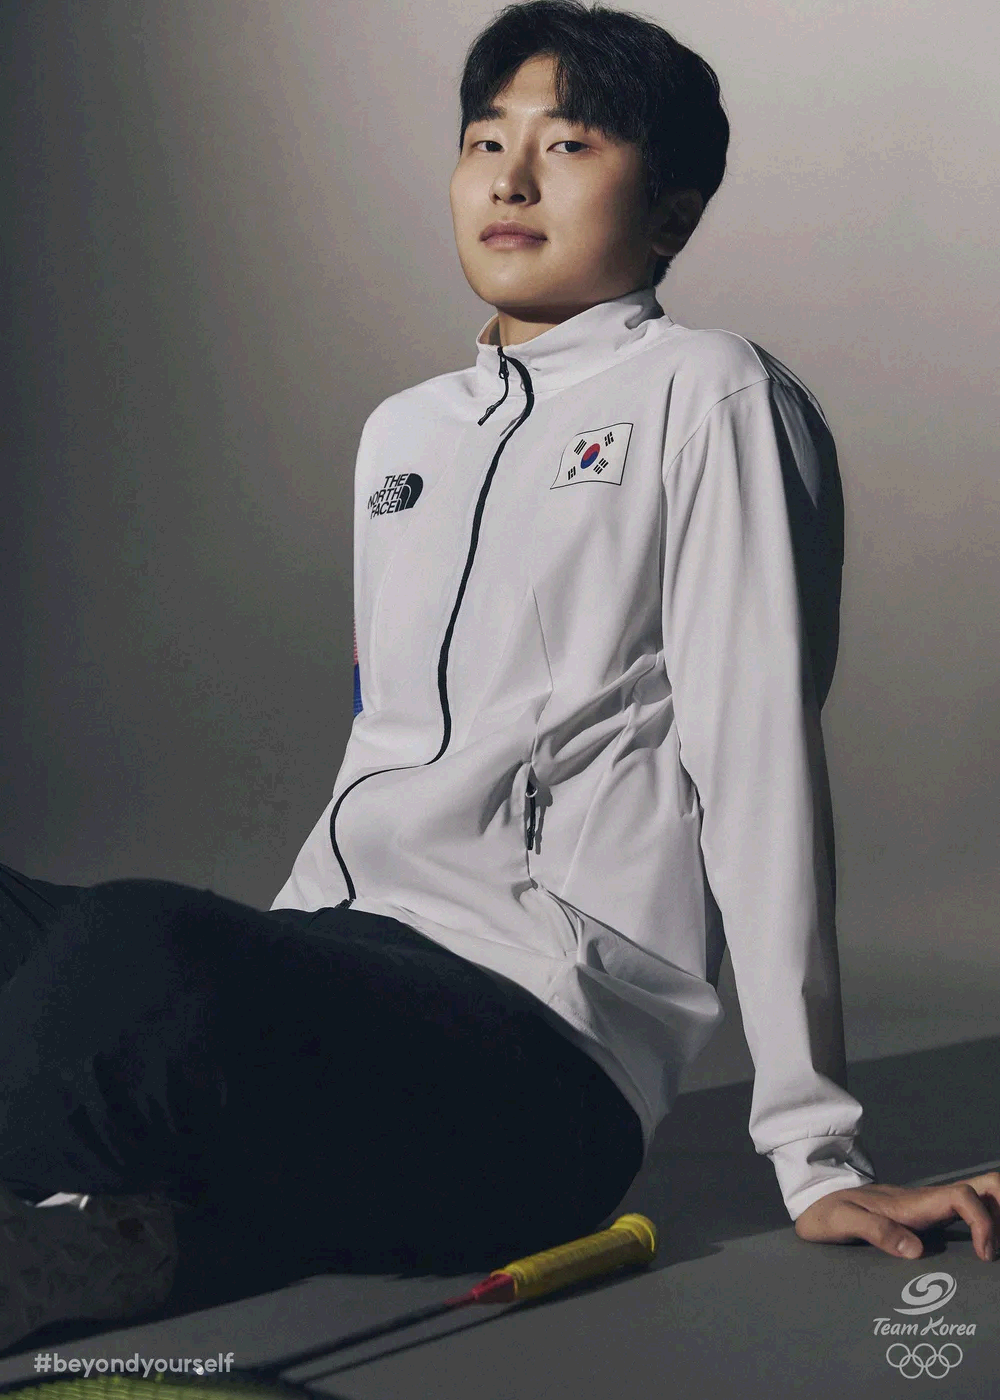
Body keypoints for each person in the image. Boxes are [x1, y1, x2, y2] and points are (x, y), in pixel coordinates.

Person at [2, 0, 997, 1357]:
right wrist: (262, 978)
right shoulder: (404, 432)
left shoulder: (706, 394)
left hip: (534, 1055)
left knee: (129, 959)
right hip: (343, 971)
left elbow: (757, 761)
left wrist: (816, 1147)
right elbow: (381, 750)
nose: (510, 180)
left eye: (569, 145)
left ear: (674, 211)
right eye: (485, 142)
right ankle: (128, 1214)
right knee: (78, 954)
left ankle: (121, 1178)